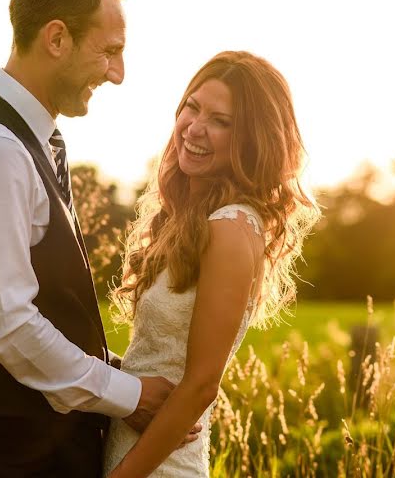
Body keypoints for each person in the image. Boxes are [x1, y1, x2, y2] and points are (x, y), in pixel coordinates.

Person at [0, 0, 197, 478]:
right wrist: (127, 394)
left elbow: (45, 308)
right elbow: (6, 325)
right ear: (56, 39)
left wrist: (118, 371)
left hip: (47, 448)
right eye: (110, 52)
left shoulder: (33, 141)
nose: (117, 74)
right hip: (16, 457)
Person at [103, 51, 321, 477]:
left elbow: (201, 384)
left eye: (221, 121)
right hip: (131, 444)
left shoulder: (232, 228)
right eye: (192, 107)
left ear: (253, 140)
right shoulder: (192, 218)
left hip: (158, 466)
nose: (195, 128)